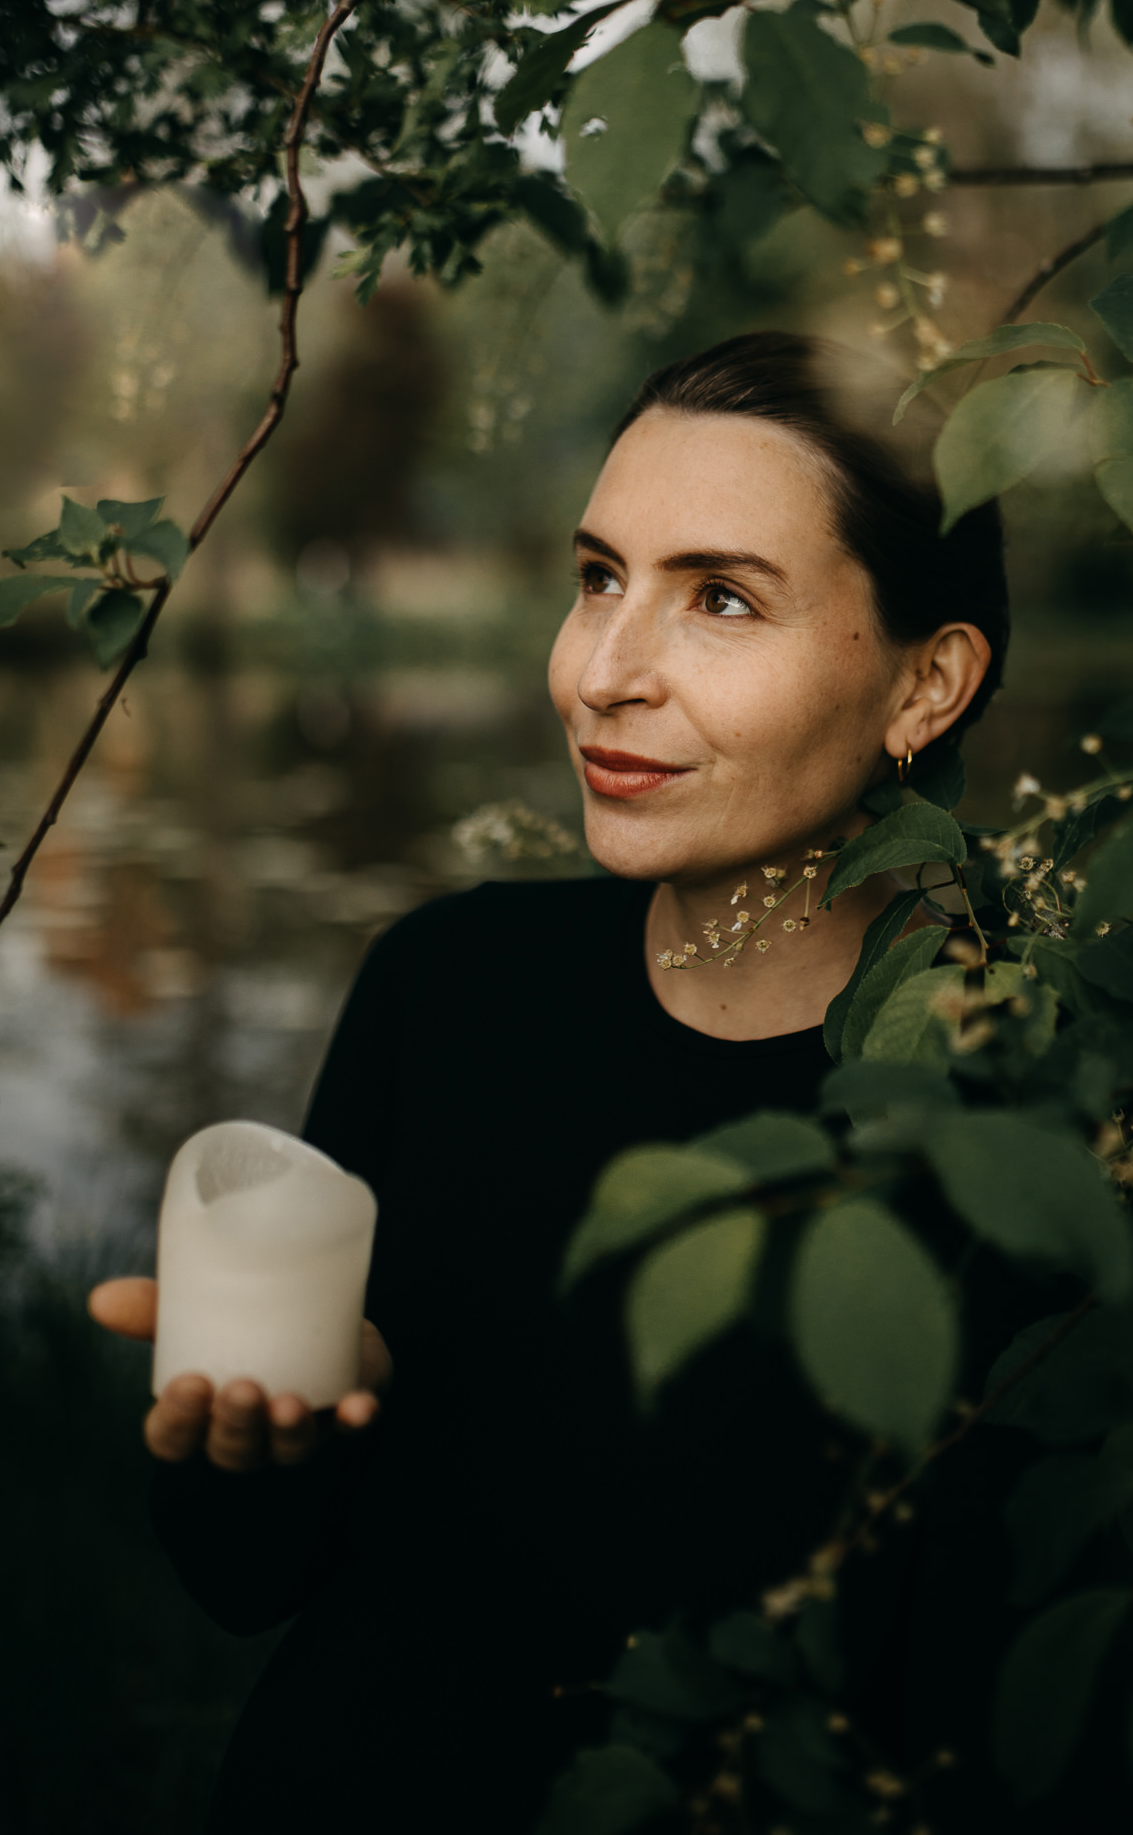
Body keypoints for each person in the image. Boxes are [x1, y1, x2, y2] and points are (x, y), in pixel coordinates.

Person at [90, 330, 1017, 1830]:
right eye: (598, 578)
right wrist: (286, 1428)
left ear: (928, 686)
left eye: (719, 598)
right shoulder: (447, 985)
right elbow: (239, 1578)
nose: (598, 674)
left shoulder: (1019, 1113)